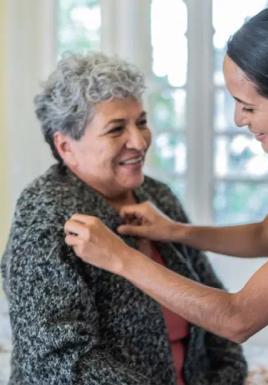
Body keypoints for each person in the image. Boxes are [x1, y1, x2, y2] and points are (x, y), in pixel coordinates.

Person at [64, 3, 268, 345]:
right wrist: (175, 231)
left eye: (249, 106)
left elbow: (238, 318)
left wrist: (121, 258)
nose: (238, 119)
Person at [0, 53, 247, 385]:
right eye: (117, 129)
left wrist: (225, 377)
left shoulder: (157, 197)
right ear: (65, 146)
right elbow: (58, 362)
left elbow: (214, 311)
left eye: (141, 122)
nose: (139, 141)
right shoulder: (45, 217)